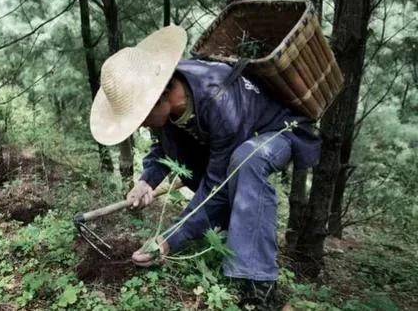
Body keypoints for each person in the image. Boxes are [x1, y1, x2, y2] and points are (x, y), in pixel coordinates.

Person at [89, 25, 321, 309]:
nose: (140, 126)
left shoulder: (218, 102)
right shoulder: (168, 100)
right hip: (232, 144)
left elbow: (217, 188)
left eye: (140, 117)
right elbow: (164, 147)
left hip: (279, 130)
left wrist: (169, 239)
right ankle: (232, 238)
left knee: (247, 160)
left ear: (159, 96)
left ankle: (259, 289)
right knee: (235, 163)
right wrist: (146, 181)